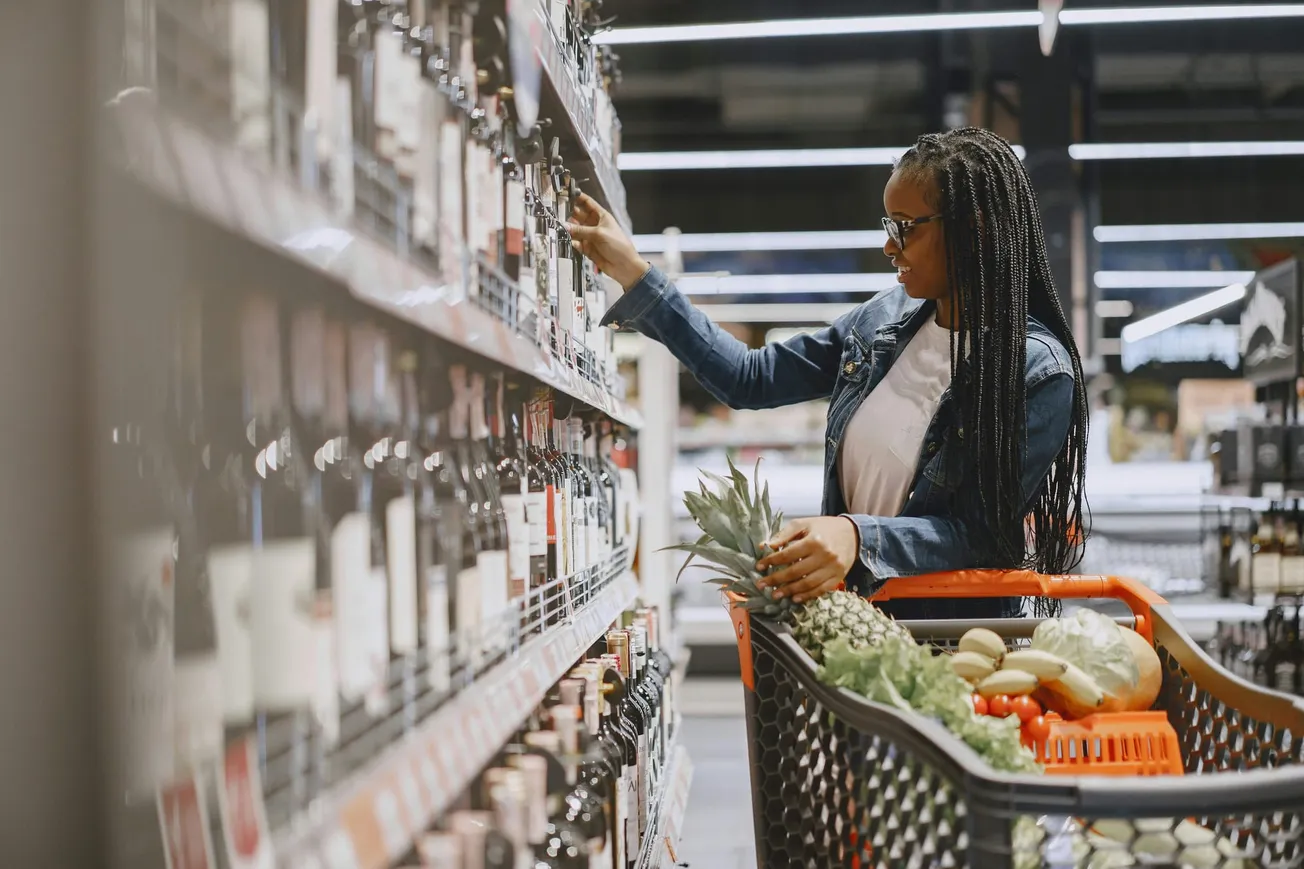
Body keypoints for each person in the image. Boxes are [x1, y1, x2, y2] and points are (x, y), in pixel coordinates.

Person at [569, 127, 1088, 620]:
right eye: (889, 226)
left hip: (952, 641)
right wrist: (635, 272)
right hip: (854, 624)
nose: (890, 246)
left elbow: (982, 535)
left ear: (972, 228)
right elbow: (749, 378)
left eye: (905, 227)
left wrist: (858, 537)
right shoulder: (880, 322)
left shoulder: (1037, 374)